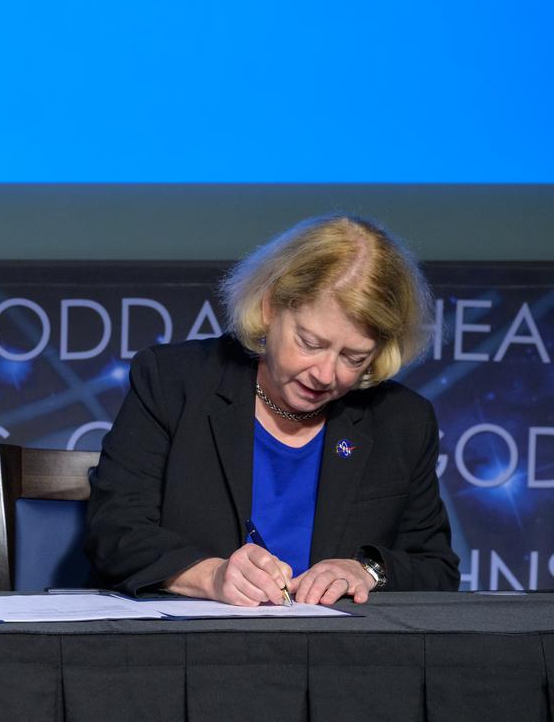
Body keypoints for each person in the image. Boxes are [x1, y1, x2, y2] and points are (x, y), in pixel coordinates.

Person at [85, 214, 459, 606]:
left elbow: (436, 568)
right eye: (311, 343)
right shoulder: (173, 382)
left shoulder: (402, 421)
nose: (325, 374)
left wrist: (367, 571)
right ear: (269, 308)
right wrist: (210, 576)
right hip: (189, 652)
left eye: (353, 357)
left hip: (340, 658)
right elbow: (114, 531)